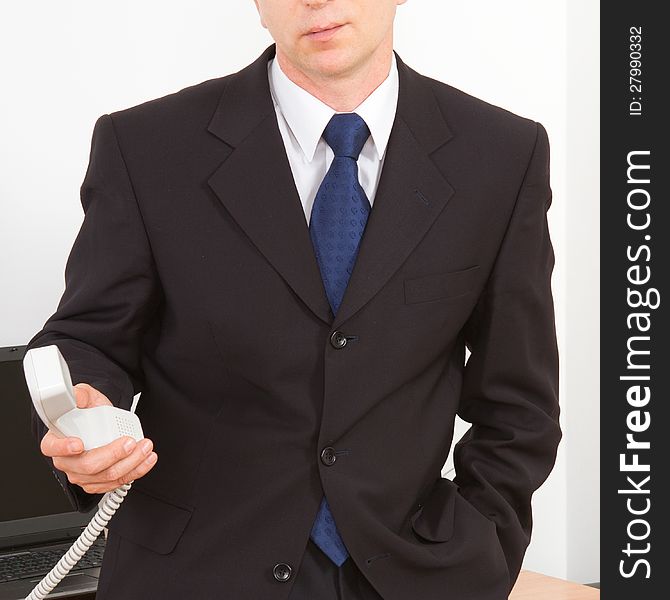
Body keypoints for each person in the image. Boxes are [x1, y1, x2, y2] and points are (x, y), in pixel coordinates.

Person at [26, 1, 562, 598]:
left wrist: (480, 548)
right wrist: (82, 410)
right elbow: (88, 338)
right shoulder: (144, 145)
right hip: (193, 573)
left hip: (411, 572)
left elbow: (520, 404)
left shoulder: (502, 154)